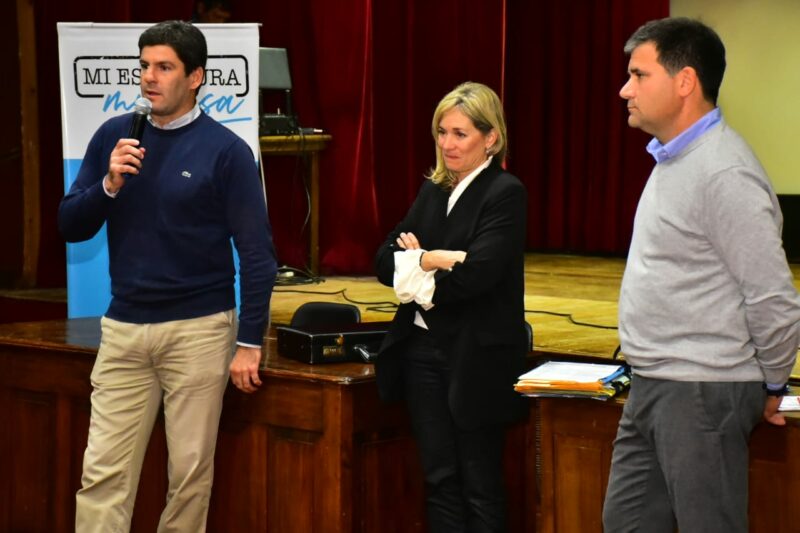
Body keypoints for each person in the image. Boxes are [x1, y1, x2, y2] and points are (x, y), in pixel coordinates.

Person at [58, 20, 277, 532]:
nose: (149, 78)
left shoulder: (227, 151)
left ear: (195, 77)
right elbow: (70, 225)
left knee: (188, 479)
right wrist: (108, 184)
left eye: (164, 67)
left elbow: (257, 254)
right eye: (143, 66)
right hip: (124, 330)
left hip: (198, 331)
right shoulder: (115, 136)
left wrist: (249, 341)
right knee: (101, 475)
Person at [603, 17, 800, 533]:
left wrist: (772, 383)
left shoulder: (724, 172)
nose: (625, 89)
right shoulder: (674, 160)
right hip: (653, 383)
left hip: (700, 391)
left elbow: (773, 298)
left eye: (638, 75)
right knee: (625, 523)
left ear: (685, 81)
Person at [374, 81, 527, 532]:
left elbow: (477, 275)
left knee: (479, 483)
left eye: (460, 133)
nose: (447, 143)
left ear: (490, 137)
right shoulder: (434, 190)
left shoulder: (505, 192)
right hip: (422, 352)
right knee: (439, 479)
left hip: (476, 356)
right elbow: (382, 260)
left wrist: (415, 272)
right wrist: (430, 260)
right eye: (442, 132)